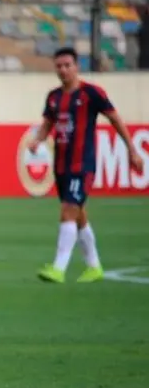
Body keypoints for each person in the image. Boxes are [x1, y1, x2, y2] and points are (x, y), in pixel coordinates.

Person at [29, 47, 143, 284]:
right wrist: (38, 139)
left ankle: (58, 269)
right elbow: (48, 123)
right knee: (78, 215)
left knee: (68, 210)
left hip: (82, 165)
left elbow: (115, 118)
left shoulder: (92, 93)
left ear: (76, 66)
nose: (63, 70)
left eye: (67, 65)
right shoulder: (53, 97)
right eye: (59, 66)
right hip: (61, 166)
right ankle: (94, 267)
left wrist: (132, 149)